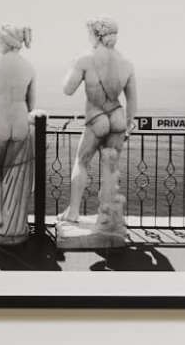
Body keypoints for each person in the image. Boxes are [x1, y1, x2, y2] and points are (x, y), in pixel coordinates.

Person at [57, 17, 138, 243]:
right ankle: (108, 218)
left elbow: (68, 89)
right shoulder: (127, 63)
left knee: (81, 162)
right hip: (118, 117)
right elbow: (132, 102)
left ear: (96, 35)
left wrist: (72, 65)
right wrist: (128, 126)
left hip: (97, 117)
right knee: (110, 168)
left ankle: (73, 212)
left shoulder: (85, 59)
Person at [0, 24, 38, 244]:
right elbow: (32, 104)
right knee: (13, 172)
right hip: (20, 123)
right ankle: (14, 221)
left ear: (4, 42)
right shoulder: (29, 68)